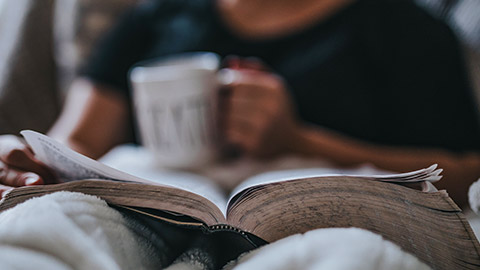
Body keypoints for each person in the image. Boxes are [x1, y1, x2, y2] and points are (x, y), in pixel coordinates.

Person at [0, 0, 479, 208]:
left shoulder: (403, 29)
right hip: (153, 218)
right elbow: (76, 138)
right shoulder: (150, 21)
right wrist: (25, 163)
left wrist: (297, 140)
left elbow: (465, 174)